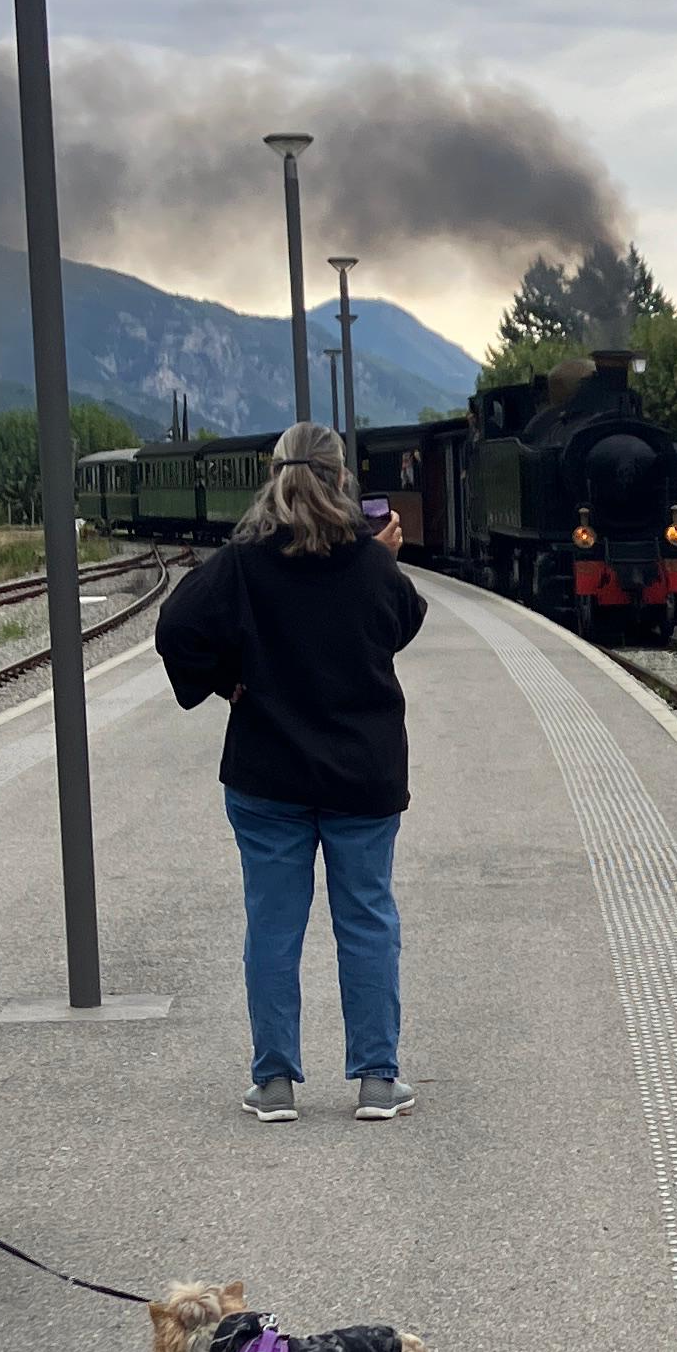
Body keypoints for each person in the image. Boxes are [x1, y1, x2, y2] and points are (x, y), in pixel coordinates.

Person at [155, 422, 426, 1125]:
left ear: (273, 477)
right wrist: (384, 560)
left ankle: (273, 1082)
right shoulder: (370, 563)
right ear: (342, 479)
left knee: (273, 925)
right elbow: (400, 624)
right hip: (361, 775)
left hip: (267, 773)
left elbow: (175, 628)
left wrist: (225, 680)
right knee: (366, 919)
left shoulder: (241, 563)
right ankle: (377, 1079)